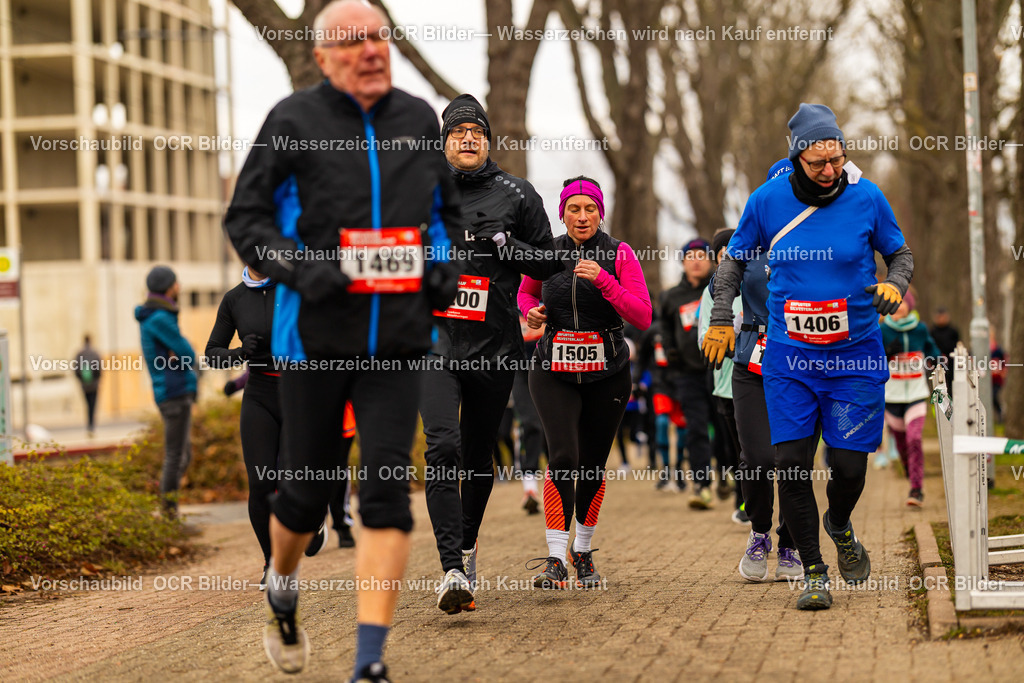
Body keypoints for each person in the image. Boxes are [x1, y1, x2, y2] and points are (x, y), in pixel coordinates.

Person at [224, 1, 464, 677]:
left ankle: (369, 661)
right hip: (315, 341)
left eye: (379, 37)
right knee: (304, 496)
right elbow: (247, 219)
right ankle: (281, 582)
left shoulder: (417, 119)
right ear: (323, 57)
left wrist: (441, 272)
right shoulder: (292, 121)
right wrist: (303, 269)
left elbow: (444, 216)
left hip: (397, 340)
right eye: (353, 41)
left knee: (386, 494)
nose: (371, 50)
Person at [704, 104, 914, 610]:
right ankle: (814, 573)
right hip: (791, 358)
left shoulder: (867, 196)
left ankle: (839, 523)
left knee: (849, 467)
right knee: (790, 465)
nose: (829, 170)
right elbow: (733, 260)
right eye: (818, 162)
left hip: (853, 357)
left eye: (836, 159)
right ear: (797, 156)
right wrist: (720, 316)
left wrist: (895, 283)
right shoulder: (767, 200)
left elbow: (899, 253)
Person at [420, 92, 560, 615]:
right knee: (443, 446)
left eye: (477, 132)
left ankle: (466, 546)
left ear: (487, 141)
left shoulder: (517, 193)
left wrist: (509, 247)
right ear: (444, 141)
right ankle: (450, 568)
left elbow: (548, 263)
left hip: (494, 346)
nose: (468, 139)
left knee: (479, 457)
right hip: (432, 343)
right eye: (459, 132)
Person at [519, 176, 652, 588]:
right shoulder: (547, 251)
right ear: (562, 214)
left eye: (589, 208)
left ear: (600, 213)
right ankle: (555, 558)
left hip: (607, 374)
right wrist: (532, 312)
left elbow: (642, 315)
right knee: (562, 457)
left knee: (592, 464)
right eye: (573, 209)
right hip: (553, 369)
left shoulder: (619, 253)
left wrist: (605, 282)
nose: (582, 216)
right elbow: (525, 295)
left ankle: (583, 549)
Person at [721, 159, 803, 582]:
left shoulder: (814, 243)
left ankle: (790, 543)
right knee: (755, 458)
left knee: (792, 459)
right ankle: (758, 533)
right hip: (751, 362)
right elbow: (723, 280)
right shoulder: (749, 244)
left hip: (802, 364)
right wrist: (720, 317)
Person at [135, 265, 197, 518]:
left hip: (174, 391)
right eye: (175, 283)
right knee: (176, 456)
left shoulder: (158, 315)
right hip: (174, 392)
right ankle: (169, 515)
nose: (179, 287)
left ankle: (169, 510)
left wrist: (178, 355)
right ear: (168, 287)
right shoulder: (160, 318)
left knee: (183, 455)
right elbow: (188, 353)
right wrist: (180, 355)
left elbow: (181, 354)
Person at [660, 238, 717, 508]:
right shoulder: (671, 296)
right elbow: (664, 328)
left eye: (702, 256)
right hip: (687, 374)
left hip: (719, 370)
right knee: (696, 429)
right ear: (683, 262)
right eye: (690, 256)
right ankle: (702, 485)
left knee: (725, 428)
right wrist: (671, 352)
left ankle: (731, 477)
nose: (696, 261)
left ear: (711, 261)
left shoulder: (721, 289)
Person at [696, 228, 746, 521]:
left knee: (761, 450)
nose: (729, 259)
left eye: (735, 252)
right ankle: (744, 501)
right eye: (723, 254)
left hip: (762, 379)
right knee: (738, 450)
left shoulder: (757, 283)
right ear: (716, 259)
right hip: (726, 385)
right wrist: (729, 338)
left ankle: (761, 499)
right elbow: (703, 338)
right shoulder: (711, 292)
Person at [880, 289, 942, 507]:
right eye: (894, 304)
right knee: (902, 445)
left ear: (910, 305)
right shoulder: (883, 330)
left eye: (902, 303)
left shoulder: (920, 329)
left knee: (914, 439)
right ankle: (909, 468)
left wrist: (938, 360)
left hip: (916, 394)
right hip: (892, 397)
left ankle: (916, 489)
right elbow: (871, 358)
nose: (898, 307)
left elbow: (933, 351)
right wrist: (887, 352)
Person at [73, 335, 102, 436]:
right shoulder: (95, 353)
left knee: (87, 404)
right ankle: (91, 425)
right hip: (94, 385)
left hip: (84, 385)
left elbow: (76, 370)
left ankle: (89, 425)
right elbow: (99, 369)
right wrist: (97, 380)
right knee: (92, 405)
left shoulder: (80, 354)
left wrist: (82, 380)